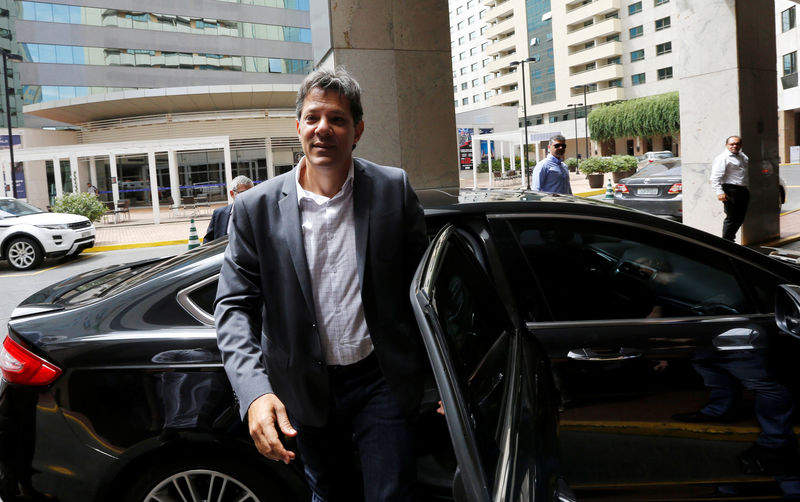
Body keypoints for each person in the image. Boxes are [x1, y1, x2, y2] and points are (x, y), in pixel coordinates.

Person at [214, 67, 428, 502]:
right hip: (303, 388)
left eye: (337, 119)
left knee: (393, 494)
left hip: (380, 380)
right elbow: (234, 306)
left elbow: (426, 289)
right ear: (298, 127)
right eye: (312, 118)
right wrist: (255, 394)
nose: (323, 129)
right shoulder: (255, 208)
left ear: (358, 130)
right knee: (329, 494)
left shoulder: (393, 189)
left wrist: (439, 376)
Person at [710, 136, 749, 241]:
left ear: (741, 145)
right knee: (731, 218)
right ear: (726, 145)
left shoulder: (742, 156)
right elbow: (715, 177)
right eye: (732, 144)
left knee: (740, 218)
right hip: (730, 190)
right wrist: (719, 192)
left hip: (742, 190)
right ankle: (726, 242)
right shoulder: (722, 158)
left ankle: (730, 239)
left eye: (737, 144)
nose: (734, 146)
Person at [202, 175, 253, 243]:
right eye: (243, 193)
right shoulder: (219, 214)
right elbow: (208, 241)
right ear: (232, 194)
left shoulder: (259, 214)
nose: (248, 196)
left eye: (251, 192)